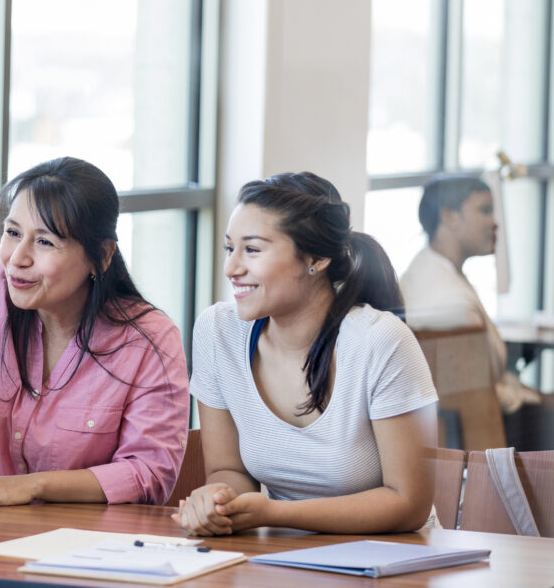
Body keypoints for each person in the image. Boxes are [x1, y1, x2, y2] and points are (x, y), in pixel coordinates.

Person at [0, 157, 190, 507]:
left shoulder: (149, 339)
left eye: (45, 242)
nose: (18, 257)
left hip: (87, 546)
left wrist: (34, 486)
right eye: (13, 233)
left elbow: (149, 473)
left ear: (103, 255)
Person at [177, 172, 438, 536]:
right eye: (229, 248)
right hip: (282, 558)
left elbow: (408, 503)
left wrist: (274, 513)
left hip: (394, 559)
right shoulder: (217, 331)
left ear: (315, 257)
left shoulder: (380, 341)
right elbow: (229, 470)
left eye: (252, 249)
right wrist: (219, 501)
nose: (231, 268)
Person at [400, 175, 553, 447]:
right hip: (486, 435)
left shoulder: (429, 273)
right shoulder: (449, 302)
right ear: (450, 217)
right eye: (484, 210)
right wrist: (539, 399)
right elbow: (474, 397)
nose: (495, 222)